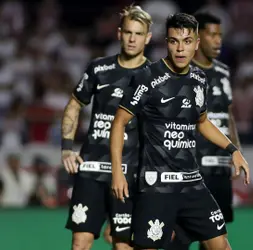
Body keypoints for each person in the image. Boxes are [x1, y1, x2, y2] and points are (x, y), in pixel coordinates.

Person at [110, 13, 250, 250]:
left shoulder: (199, 79)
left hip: (192, 184)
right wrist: (117, 172)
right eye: (174, 41)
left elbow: (202, 122)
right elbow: (119, 123)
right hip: (157, 186)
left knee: (221, 245)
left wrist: (232, 149)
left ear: (196, 44)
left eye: (186, 42)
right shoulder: (147, 77)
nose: (180, 49)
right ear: (167, 42)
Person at [61, 5, 152, 250]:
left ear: (148, 38)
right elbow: (73, 105)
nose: (133, 39)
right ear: (119, 33)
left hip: (128, 173)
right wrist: (67, 148)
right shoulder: (99, 68)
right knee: (80, 242)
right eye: (129, 32)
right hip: (91, 168)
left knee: (123, 244)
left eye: (139, 34)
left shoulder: (154, 76)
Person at [167, 12, 240, 250]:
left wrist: (234, 151)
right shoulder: (181, 72)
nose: (218, 40)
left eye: (220, 35)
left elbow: (227, 114)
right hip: (194, 169)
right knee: (180, 238)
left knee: (214, 238)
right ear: (197, 39)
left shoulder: (223, 72)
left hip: (219, 168)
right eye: (212, 35)